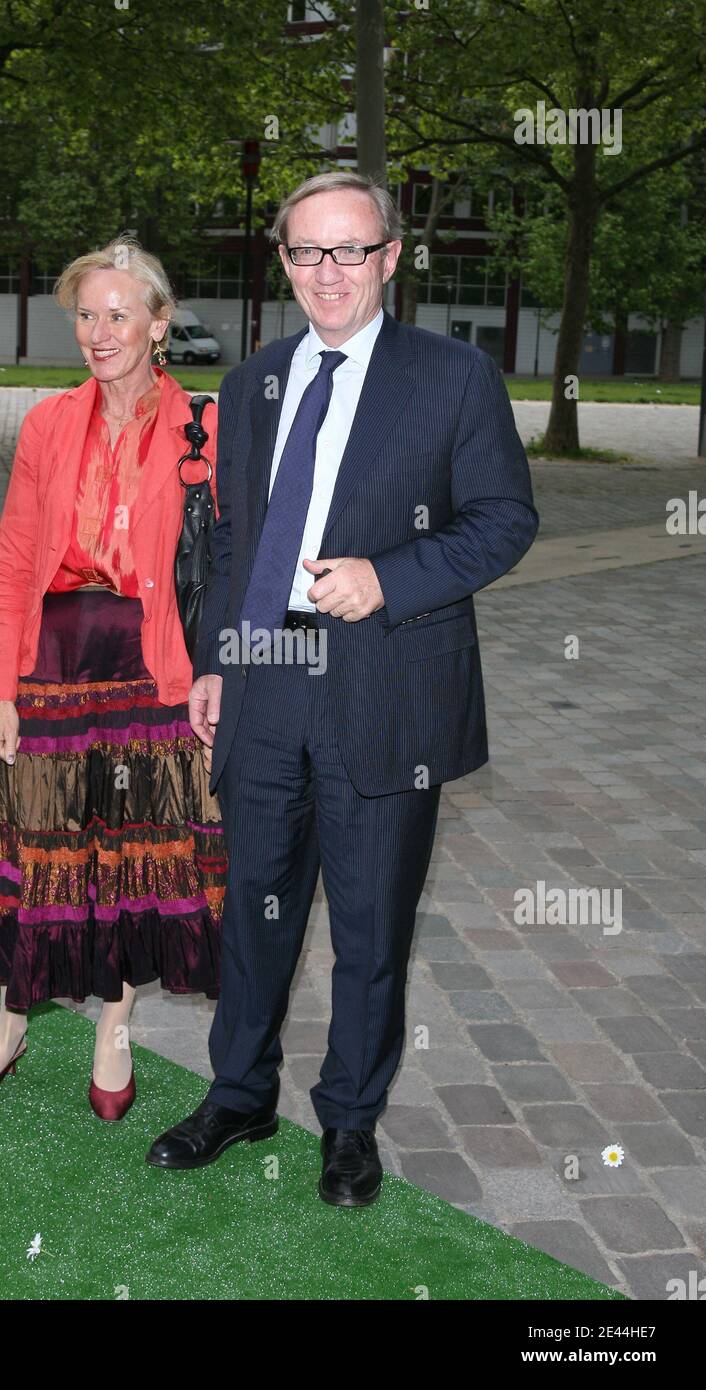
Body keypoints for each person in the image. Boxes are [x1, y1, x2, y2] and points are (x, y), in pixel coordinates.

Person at [146, 171, 539, 1204]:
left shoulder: (452, 377)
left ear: (390, 257)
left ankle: (349, 1125)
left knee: (369, 923)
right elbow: (230, 537)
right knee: (254, 907)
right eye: (308, 251)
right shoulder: (249, 385)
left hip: (386, 683)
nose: (329, 272)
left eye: (350, 250)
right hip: (267, 677)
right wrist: (220, 660)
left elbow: (503, 519)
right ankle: (237, 1094)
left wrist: (387, 577)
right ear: (282, 261)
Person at [0, 237, 225, 1121]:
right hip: (54, 661)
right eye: (85, 314)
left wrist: (219, 673)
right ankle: (10, 1024)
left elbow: (223, 567)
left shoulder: (204, 428)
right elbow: (13, 559)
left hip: (154, 664)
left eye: (117, 313)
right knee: (39, 842)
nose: (99, 332)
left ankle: (115, 1023)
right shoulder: (47, 424)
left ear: (157, 323)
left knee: (137, 846)